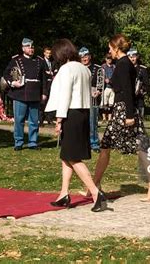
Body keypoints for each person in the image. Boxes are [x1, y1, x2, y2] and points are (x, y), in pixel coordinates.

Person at [90, 34, 150, 202]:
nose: (109, 51)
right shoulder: (125, 63)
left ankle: (93, 186)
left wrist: (129, 115)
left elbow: (128, 90)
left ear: (116, 48)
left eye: (110, 48)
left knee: (107, 146)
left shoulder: (123, 64)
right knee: (137, 146)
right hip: (125, 109)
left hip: (124, 110)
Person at [45, 39, 109, 212]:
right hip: (83, 112)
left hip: (70, 113)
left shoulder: (66, 69)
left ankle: (96, 193)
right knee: (66, 155)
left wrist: (59, 119)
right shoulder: (84, 68)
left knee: (73, 157)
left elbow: (65, 95)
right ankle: (64, 193)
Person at [3, 38, 47, 150]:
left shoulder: (39, 61)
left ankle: (33, 142)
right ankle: (18, 142)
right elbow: (6, 74)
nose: (31, 49)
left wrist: (44, 93)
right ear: (23, 48)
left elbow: (44, 79)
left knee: (34, 121)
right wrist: (13, 83)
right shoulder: (16, 60)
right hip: (20, 93)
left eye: (32, 47)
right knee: (19, 120)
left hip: (35, 94)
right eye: (28, 47)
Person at [79, 46, 102, 152]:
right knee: (80, 121)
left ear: (90, 57)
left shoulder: (97, 68)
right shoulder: (77, 68)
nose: (84, 58)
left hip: (93, 97)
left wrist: (98, 91)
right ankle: (82, 142)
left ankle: (94, 143)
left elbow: (100, 84)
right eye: (82, 57)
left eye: (86, 56)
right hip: (79, 97)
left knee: (93, 121)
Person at [127, 47, 150, 118]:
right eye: (130, 57)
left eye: (134, 57)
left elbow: (147, 85)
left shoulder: (142, 69)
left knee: (139, 121)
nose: (132, 59)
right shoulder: (125, 68)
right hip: (127, 98)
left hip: (139, 99)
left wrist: (142, 90)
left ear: (137, 57)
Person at [39, 47, 57, 126]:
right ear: (44, 53)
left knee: (51, 101)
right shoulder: (41, 62)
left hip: (52, 84)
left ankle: (50, 119)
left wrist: (53, 72)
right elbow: (41, 73)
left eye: (50, 53)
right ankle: (40, 120)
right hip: (44, 84)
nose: (49, 55)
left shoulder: (53, 62)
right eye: (47, 53)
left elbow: (55, 70)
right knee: (43, 102)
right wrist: (49, 73)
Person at [101, 53, 115, 122]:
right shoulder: (103, 67)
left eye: (110, 59)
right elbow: (101, 76)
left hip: (112, 87)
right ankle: (104, 118)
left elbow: (115, 76)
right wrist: (104, 79)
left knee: (111, 103)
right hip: (105, 87)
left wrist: (111, 81)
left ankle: (109, 118)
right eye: (108, 59)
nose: (109, 60)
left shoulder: (114, 67)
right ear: (106, 59)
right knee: (104, 103)